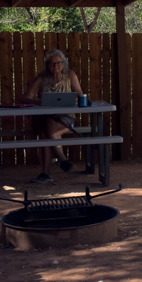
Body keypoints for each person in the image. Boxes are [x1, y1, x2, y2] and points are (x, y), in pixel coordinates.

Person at [19, 49, 85, 184]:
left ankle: (46, 173)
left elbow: (80, 95)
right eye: (52, 64)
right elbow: (26, 98)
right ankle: (62, 160)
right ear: (47, 65)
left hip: (65, 118)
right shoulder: (41, 78)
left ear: (64, 63)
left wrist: (72, 101)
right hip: (43, 118)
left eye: (59, 63)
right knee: (47, 123)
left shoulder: (70, 75)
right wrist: (40, 102)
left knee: (45, 132)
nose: (56, 67)